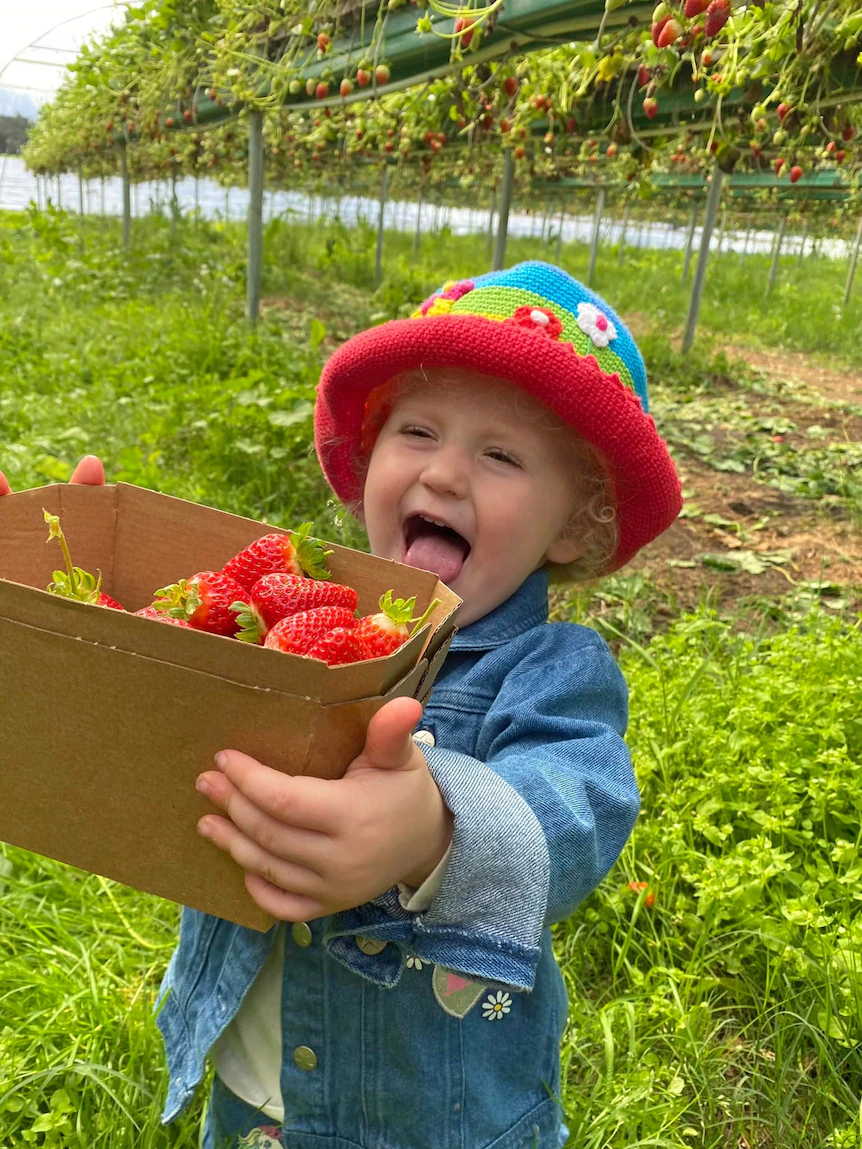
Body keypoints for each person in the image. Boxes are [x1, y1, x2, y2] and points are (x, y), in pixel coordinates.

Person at [0, 261, 681, 1149]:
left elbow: (581, 803)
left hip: (439, 1118)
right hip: (255, 1086)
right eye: (418, 430)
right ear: (367, 465)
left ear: (574, 523)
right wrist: (62, 613)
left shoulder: (551, 669)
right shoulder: (298, 617)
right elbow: (154, 732)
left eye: (501, 454)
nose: (443, 474)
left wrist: (433, 828)